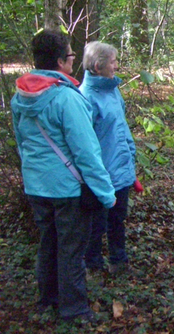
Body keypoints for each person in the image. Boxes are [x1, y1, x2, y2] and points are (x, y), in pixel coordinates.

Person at [11, 31, 115, 322]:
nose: (73, 60)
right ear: (60, 61)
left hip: (36, 186)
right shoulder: (67, 99)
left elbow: (22, 144)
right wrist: (106, 194)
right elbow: (87, 152)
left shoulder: (20, 96)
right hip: (67, 189)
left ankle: (47, 300)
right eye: (71, 55)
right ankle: (74, 310)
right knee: (70, 250)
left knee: (48, 244)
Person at [79, 41, 138, 275]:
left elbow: (121, 127)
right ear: (97, 66)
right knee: (96, 225)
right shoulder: (85, 98)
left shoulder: (113, 89)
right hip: (101, 174)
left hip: (121, 169)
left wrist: (130, 154)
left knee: (117, 220)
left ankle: (118, 261)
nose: (116, 66)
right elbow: (85, 143)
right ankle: (92, 267)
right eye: (112, 62)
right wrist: (96, 174)